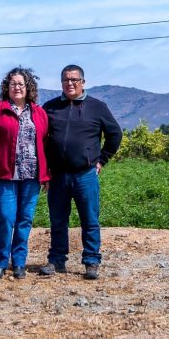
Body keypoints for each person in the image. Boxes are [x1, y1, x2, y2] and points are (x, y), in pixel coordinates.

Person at [39, 64, 122, 280]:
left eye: (74, 80)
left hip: (85, 174)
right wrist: (45, 170)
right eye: (66, 80)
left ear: (83, 82)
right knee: (58, 221)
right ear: (61, 83)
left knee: (90, 220)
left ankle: (91, 261)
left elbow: (115, 134)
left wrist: (101, 160)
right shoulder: (50, 108)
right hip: (57, 176)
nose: (70, 83)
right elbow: (41, 139)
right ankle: (57, 261)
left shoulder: (97, 107)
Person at [0, 67, 50, 280]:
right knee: (6, 217)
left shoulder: (39, 113)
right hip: (5, 176)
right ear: (6, 88)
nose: (16, 87)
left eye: (21, 84)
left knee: (25, 219)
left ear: (28, 88)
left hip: (32, 176)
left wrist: (47, 175)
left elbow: (46, 144)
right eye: (13, 84)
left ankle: (19, 263)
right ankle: (0, 262)